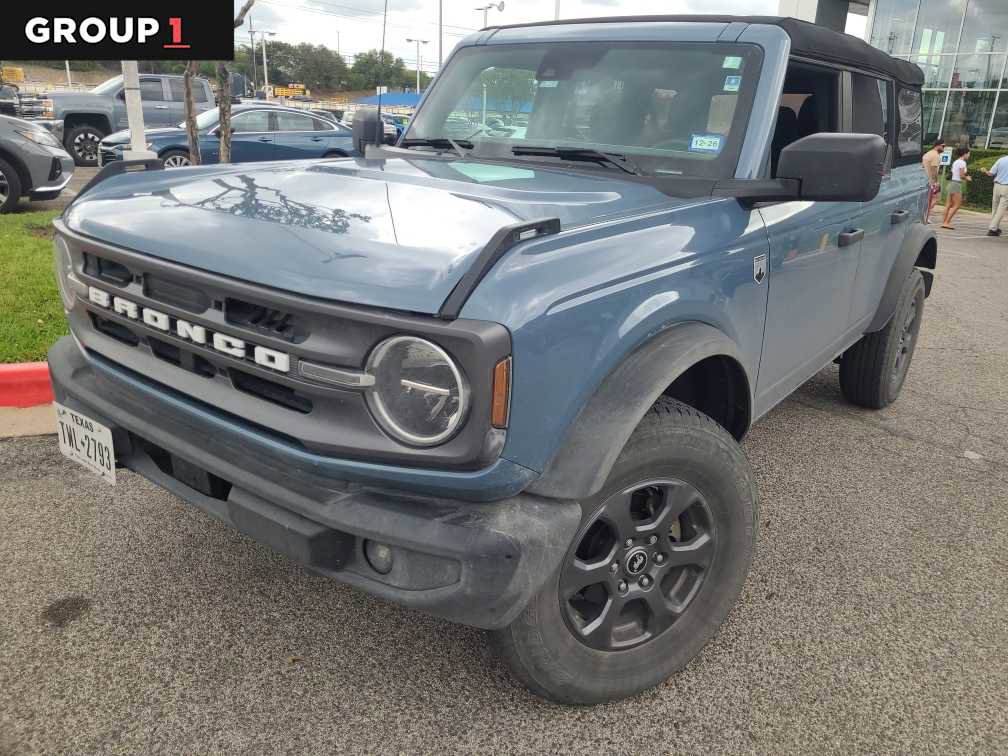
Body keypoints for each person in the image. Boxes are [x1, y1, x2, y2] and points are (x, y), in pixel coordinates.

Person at [942, 147, 971, 230]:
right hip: (956, 184)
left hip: (951, 183)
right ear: (964, 154)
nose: (969, 156)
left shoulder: (956, 161)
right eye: (968, 154)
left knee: (948, 204)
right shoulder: (962, 163)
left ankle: (944, 222)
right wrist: (967, 178)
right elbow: (961, 175)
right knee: (957, 205)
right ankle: (946, 222)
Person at [984, 154, 1008, 237]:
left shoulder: (1001, 160)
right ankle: (993, 228)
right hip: (1006, 187)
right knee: (1001, 209)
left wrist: (985, 171)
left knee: (995, 207)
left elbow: (991, 173)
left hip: (996, 185)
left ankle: (995, 228)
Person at [921, 140, 945, 223]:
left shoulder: (927, 154)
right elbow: (934, 169)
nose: (943, 148)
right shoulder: (936, 155)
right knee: (935, 198)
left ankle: (924, 215)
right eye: (943, 146)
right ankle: (925, 216)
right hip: (930, 181)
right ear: (937, 145)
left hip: (924, 179)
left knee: (927, 199)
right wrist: (936, 182)